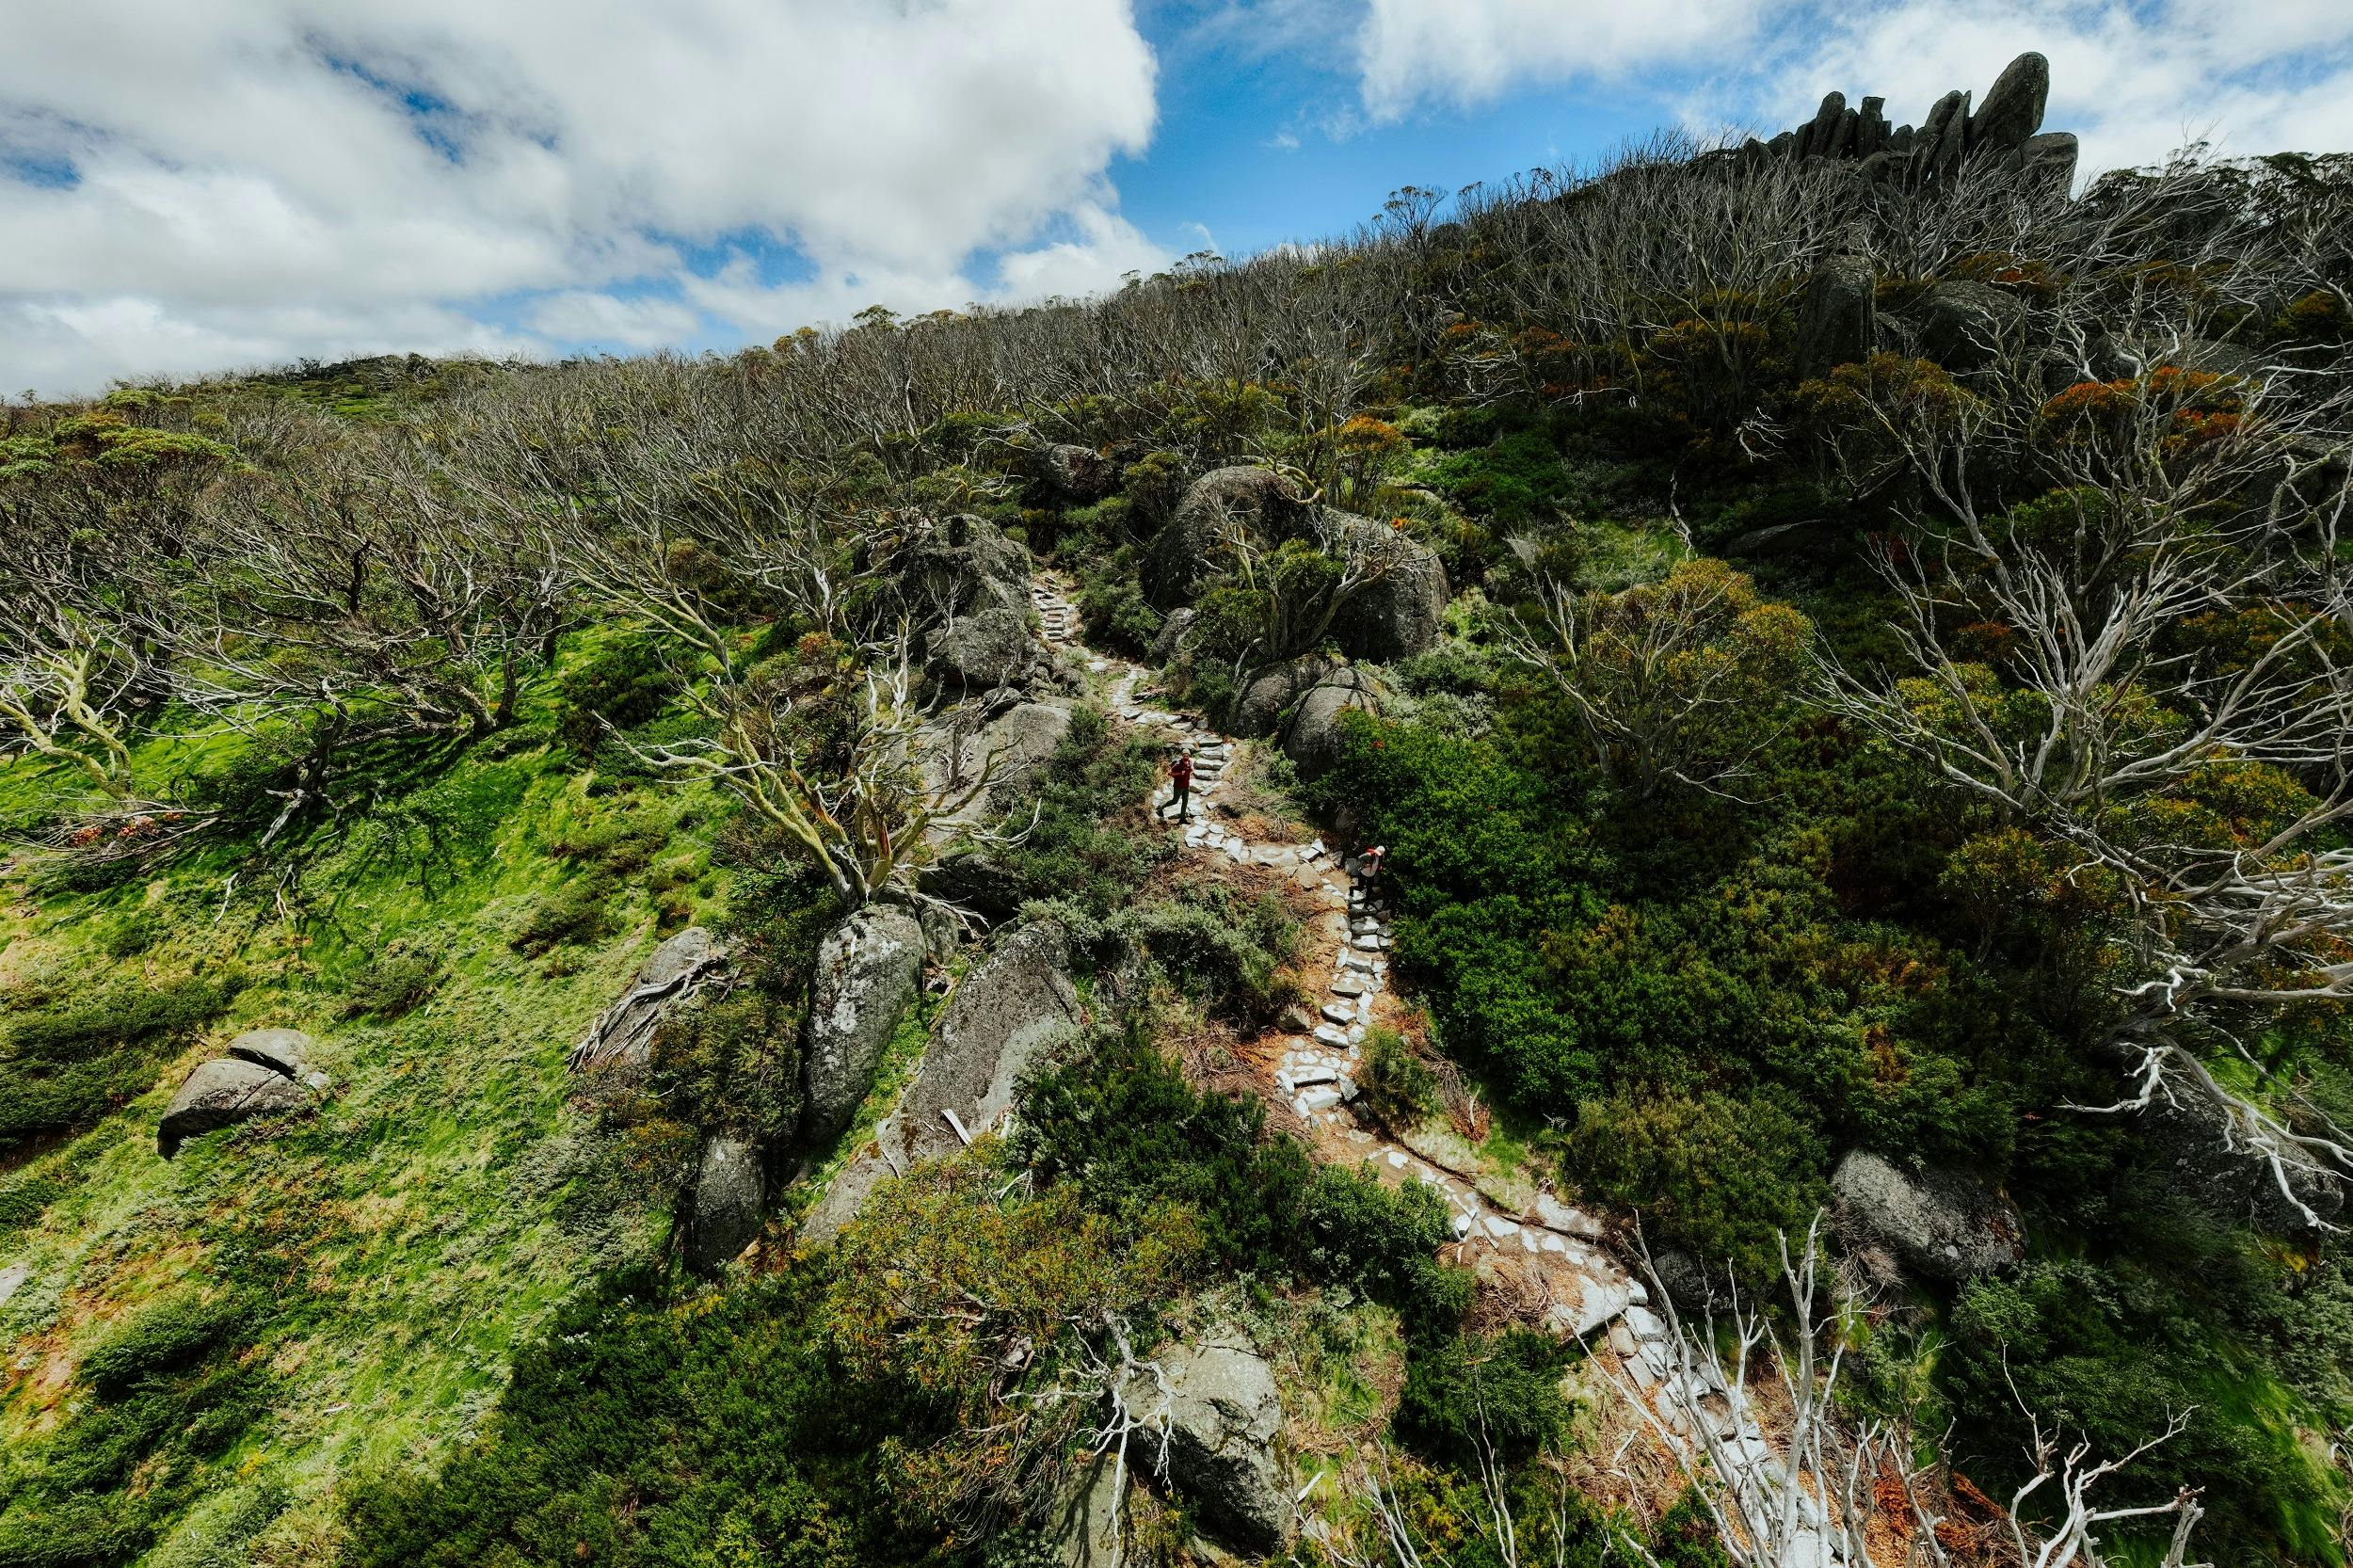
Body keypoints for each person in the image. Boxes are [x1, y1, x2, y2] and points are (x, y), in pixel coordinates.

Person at [1164, 746, 1195, 822]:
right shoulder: (1178, 764)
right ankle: (1161, 807)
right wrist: (1180, 773)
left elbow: (1192, 766)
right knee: (1175, 801)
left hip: (1186, 786)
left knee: (1185, 802)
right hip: (1178, 786)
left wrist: (1191, 768)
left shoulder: (1190, 761)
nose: (1186, 757)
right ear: (1182, 756)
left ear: (1189, 756)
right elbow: (1169, 773)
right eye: (1184, 756)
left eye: (1187, 756)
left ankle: (1182, 818)